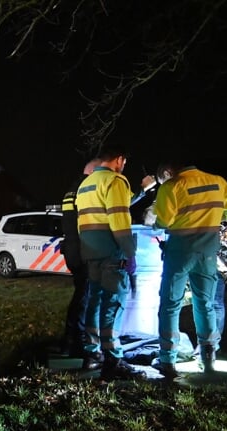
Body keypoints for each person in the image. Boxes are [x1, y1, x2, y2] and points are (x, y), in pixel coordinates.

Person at [150, 162, 227, 377]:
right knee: (205, 304)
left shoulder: (172, 186)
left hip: (180, 250)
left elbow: (164, 220)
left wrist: (156, 221)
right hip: (208, 250)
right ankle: (208, 358)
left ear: (167, 173)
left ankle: (167, 360)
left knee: (170, 304)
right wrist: (212, 218)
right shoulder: (217, 181)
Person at [75, 146, 145, 380]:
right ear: (119, 159)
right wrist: (129, 252)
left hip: (90, 251)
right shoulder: (115, 181)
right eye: (124, 161)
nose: (124, 165)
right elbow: (119, 220)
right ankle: (113, 359)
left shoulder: (86, 184)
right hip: (111, 252)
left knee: (94, 302)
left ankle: (93, 353)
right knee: (112, 303)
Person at [60, 158, 100, 367]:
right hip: (83, 251)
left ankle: (69, 342)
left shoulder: (71, 189)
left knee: (80, 296)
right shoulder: (87, 189)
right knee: (84, 298)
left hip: (72, 251)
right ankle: (79, 344)